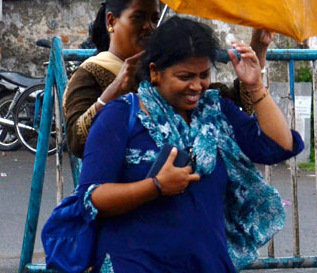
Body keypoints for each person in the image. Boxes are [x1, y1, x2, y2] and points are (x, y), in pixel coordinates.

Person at [77, 16, 303, 272]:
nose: (197, 86)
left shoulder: (217, 110)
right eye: (185, 76)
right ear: (154, 72)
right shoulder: (120, 116)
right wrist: (155, 186)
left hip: (208, 262)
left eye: (204, 75)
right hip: (136, 263)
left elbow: (278, 147)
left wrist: (255, 85)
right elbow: (92, 198)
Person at [63, 0, 273, 158]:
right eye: (138, 17)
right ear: (111, 21)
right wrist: (115, 90)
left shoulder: (164, 71)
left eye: (154, 19)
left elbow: (227, 105)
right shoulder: (91, 74)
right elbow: (76, 142)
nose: (149, 27)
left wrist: (259, 47)